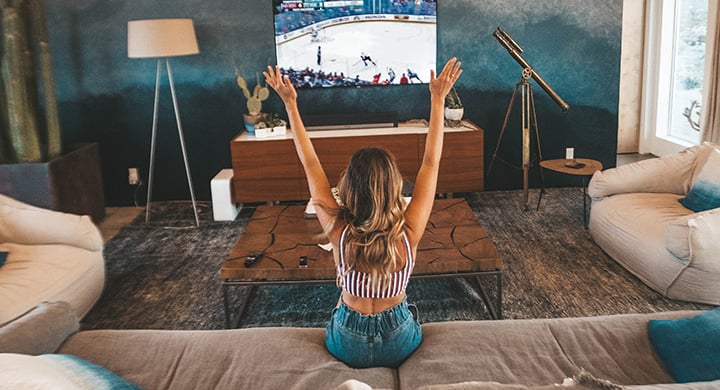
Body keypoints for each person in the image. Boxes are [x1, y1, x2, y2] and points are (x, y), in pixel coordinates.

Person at [263, 58, 463, 368]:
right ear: (394, 187)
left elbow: (311, 163)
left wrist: (290, 105)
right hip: (398, 341)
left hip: (346, 342)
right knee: (412, 313)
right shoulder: (409, 233)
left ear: (348, 188)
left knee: (337, 308)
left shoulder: (338, 231)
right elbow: (430, 163)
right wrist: (437, 101)